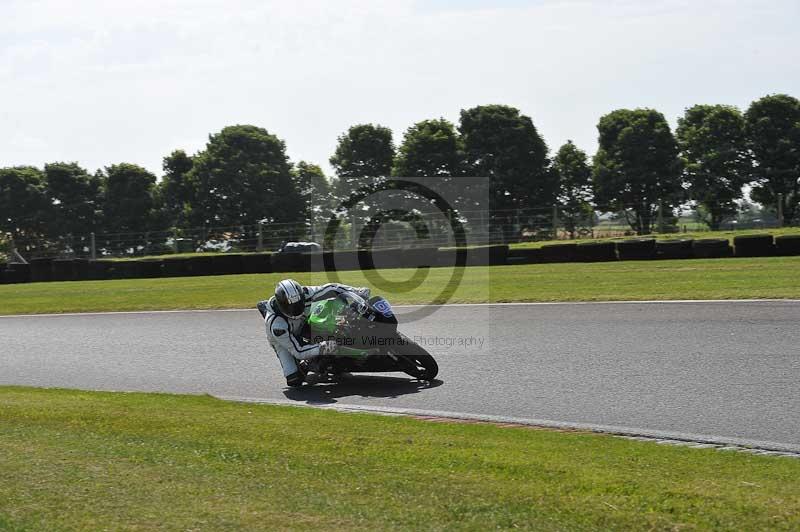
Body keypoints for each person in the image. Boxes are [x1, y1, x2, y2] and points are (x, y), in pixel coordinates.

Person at [257, 279, 371, 386]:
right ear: (281, 305)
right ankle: (307, 364)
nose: (296, 310)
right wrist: (322, 347)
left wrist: (356, 291)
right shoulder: (277, 325)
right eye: (291, 307)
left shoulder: (306, 293)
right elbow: (298, 351)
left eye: (298, 304)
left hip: (304, 321)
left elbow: (331, 288)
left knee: (330, 315)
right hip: (284, 339)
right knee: (294, 379)